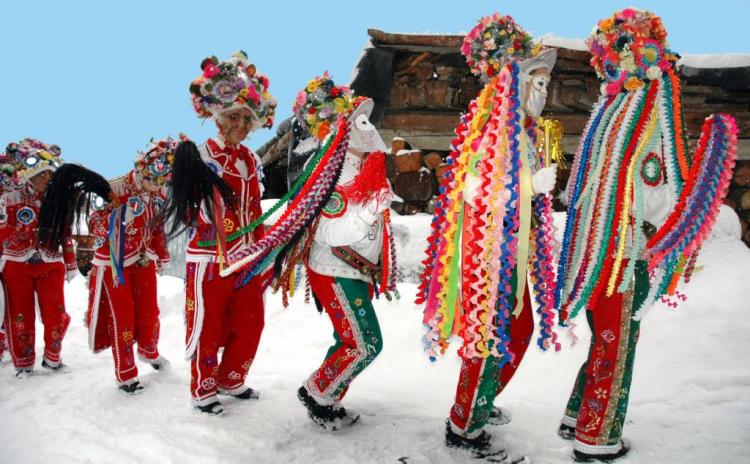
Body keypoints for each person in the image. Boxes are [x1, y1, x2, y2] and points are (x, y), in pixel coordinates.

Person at [555, 8, 738, 462]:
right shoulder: (648, 109)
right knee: (617, 345)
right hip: (623, 253)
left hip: (590, 253)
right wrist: (685, 217)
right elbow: (658, 188)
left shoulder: (610, 112)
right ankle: (596, 439)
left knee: (605, 337)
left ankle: (578, 416)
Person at [417, 14, 559, 463]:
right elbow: (476, 191)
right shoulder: (490, 130)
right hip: (486, 258)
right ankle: (464, 427)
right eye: (537, 80)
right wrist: (530, 185)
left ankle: (475, 405)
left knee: (516, 332)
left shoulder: (523, 132)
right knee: (492, 337)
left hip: (511, 253)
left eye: (547, 83)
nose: (545, 92)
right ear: (513, 81)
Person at [160, 51, 276, 415]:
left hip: (247, 259)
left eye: (246, 118)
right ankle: (204, 388)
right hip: (210, 258)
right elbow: (185, 200)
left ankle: (231, 378)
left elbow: (255, 210)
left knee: (251, 323)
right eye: (232, 116)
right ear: (216, 117)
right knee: (207, 325)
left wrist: (266, 249)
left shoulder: (251, 160)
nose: (240, 123)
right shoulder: (202, 155)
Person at [283, 73, 396, 431]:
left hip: (354, 271)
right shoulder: (333, 172)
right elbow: (329, 230)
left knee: (349, 339)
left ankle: (327, 397)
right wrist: (370, 211)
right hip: (334, 269)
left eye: (368, 119)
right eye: (360, 120)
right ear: (342, 130)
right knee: (365, 343)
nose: (370, 127)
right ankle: (317, 390)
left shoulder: (364, 167)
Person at [38, 138, 176, 394]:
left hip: (143, 260)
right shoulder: (114, 188)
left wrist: (162, 253)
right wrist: (120, 216)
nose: (156, 186)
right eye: (153, 180)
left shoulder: (156, 191)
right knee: (121, 318)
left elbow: (156, 226)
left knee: (149, 311)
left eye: (161, 182)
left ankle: (149, 350)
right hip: (114, 265)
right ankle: (126, 375)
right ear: (143, 169)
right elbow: (97, 228)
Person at [0, 138, 76, 377]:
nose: (47, 179)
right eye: (42, 174)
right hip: (17, 263)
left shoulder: (59, 199)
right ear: (31, 174)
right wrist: (15, 233)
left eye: (50, 174)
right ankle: (23, 362)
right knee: (20, 315)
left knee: (57, 312)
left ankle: (53, 357)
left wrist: (71, 262)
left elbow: (65, 231)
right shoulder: (11, 197)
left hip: (51, 262)